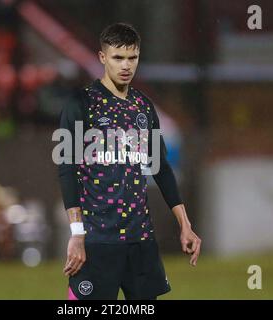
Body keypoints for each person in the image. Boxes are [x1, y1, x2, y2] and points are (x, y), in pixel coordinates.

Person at [58, 22, 201, 300]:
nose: (126, 65)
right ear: (102, 57)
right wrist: (77, 233)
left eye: (132, 58)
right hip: (97, 239)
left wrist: (185, 224)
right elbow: (67, 170)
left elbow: (161, 168)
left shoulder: (144, 107)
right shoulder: (81, 104)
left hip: (140, 240)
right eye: (118, 57)